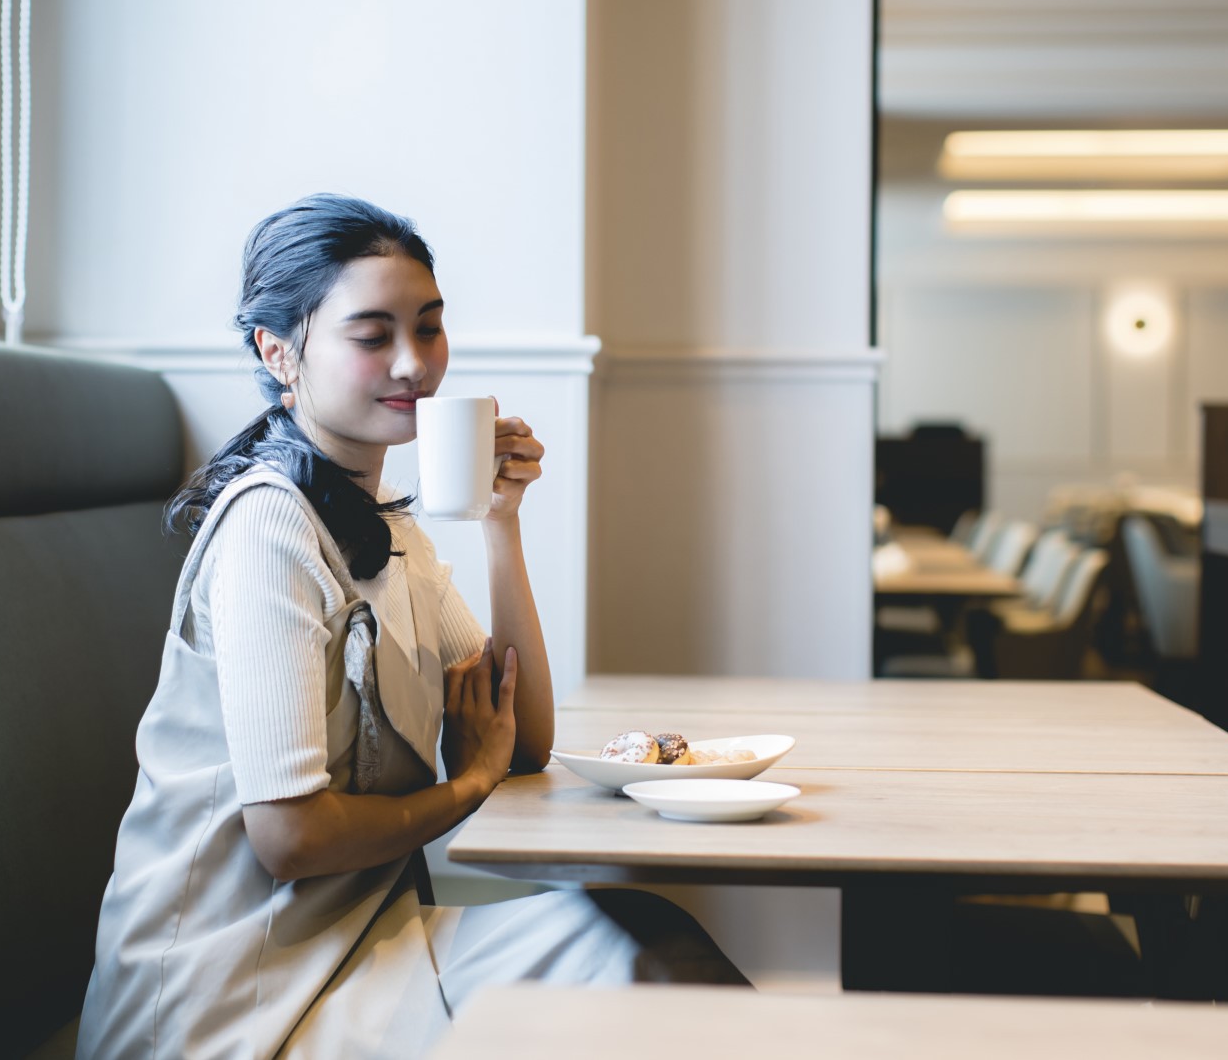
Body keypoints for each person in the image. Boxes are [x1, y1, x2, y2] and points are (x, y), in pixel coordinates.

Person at [76, 195, 744, 1059]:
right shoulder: (271, 527)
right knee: (643, 972)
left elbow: (525, 736)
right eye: (371, 334)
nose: (412, 363)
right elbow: (290, 836)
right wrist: (463, 791)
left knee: (653, 945)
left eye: (428, 327)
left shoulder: (386, 526)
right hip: (235, 998)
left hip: (368, 941)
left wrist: (501, 523)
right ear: (277, 351)